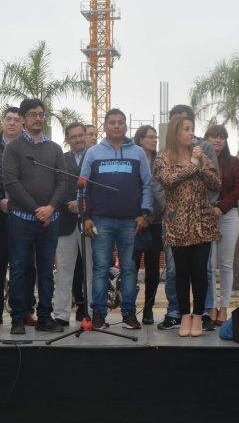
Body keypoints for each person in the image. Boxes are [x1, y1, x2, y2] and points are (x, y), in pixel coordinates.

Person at [81, 109, 153, 330]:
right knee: (101, 268)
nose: (116, 126)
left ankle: (129, 315)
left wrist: (145, 213)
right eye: (112, 122)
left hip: (131, 223)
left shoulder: (138, 153)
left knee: (129, 270)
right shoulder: (92, 153)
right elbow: (82, 188)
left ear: (125, 126)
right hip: (100, 221)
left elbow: (147, 185)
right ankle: (99, 316)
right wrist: (86, 217)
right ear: (105, 125)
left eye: (120, 122)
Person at [2, 99, 67, 335]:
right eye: (32, 115)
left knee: (47, 271)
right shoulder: (13, 148)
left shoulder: (55, 148)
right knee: (19, 268)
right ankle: (18, 318)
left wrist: (50, 208)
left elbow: (63, 180)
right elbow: (11, 182)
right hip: (20, 219)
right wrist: (36, 209)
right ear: (22, 120)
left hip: (50, 220)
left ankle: (44, 317)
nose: (37, 119)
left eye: (41, 114)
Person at [154, 115, 220, 337]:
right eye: (186, 129)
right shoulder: (163, 159)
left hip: (202, 223)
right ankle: (184, 315)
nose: (192, 133)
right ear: (175, 132)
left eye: (192, 129)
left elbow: (215, 183)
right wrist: (193, 164)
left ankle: (199, 316)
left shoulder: (200, 156)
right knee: (181, 272)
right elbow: (169, 180)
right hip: (177, 225)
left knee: (200, 272)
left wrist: (201, 165)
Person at [0, 107, 37, 327]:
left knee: (26, 263)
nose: (12, 123)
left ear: (23, 123)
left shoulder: (31, 145)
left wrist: (20, 202)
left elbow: (33, 178)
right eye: (8, 119)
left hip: (25, 211)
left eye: (16, 120)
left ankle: (25, 310)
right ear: (2, 122)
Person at [53, 122, 93, 326]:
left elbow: (99, 190)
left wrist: (82, 204)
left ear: (86, 135)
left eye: (80, 135)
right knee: (64, 271)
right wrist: (68, 205)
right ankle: (60, 315)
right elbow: (55, 188)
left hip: (90, 222)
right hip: (65, 223)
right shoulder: (61, 160)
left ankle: (92, 313)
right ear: (67, 139)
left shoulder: (95, 156)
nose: (77, 139)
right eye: (73, 136)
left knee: (91, 271)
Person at [204, 124, 239, 324]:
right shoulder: (200, 160)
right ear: (207, 139)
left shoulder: (234, 162)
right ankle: (211, 306)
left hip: (228, 215)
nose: (218, 140)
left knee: (226, 264)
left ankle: (224, 307)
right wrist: (211, 208)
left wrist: (221, 207)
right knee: (209, 265)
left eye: (222, 137)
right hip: (205, 216)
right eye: (214, 136)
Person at [132, 124, 164, 325]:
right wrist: (137, 217)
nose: (154, 140)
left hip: (155, 222)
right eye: (150, 137)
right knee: (131, 268)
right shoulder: (132, 160)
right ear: (140, 139)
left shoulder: (161, 162)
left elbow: (164, 194)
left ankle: (148, 309)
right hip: (134, 223)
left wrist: (149, 218)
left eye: (155, 136)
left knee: (153, 269)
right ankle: (130, 308)